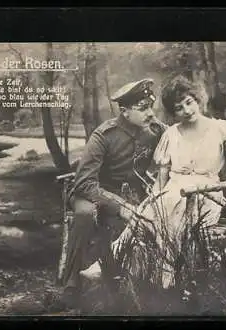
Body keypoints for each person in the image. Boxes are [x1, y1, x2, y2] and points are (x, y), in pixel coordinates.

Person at [81, 75, 226, 289]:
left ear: (197, 100)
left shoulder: (219, 128)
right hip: (172, 193)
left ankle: (161, 277)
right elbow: (162, 178)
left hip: (205, 196)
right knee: (148, 213)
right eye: (179, 108)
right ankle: (118, 264)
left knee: (169, 211)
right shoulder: (170, 134)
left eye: (189, 102)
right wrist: (152, 201)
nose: (187, 111)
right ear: (173, 113)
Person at [58, 78, 166, 309]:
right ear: (125, 111)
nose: (151, 113)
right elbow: (84, 183)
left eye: (151, 106)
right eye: (143, 108)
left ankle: (140, 281)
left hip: (131, 196)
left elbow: (182, 137)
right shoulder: (104, 135)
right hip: (93, 193)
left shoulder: (155, 131)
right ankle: (72, 282)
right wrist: (119, 207)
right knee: (86, 215)